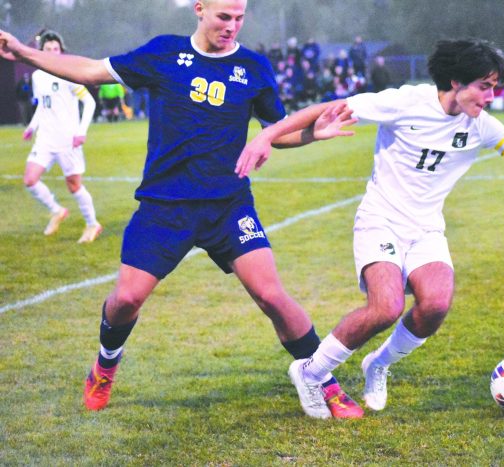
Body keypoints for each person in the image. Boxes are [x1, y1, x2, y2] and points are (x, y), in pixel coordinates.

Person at [0, 0, 362, 420]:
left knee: (272, 295)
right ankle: (104, 365)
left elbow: (275, 134)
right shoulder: (164, 53)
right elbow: (90, 70)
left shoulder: (254, 67)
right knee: (126, 299)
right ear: (200, 9)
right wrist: (24, 53)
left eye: (240, 17)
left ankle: (323, 380)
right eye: (224, 16)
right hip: (164, 206)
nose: (232, 26)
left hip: (227, 205)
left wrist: (312, 135)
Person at [237, 39, 504, 414]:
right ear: (457, 82)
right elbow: (331, 105)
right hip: (381, 220)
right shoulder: (407, 102)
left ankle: (378, 364)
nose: (491, 97)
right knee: (386, 307)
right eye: (484, 86)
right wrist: (268, 136)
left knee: (436, 304)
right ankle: (310, 372)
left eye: (495, 87)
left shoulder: (482, 125)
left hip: (426, 228)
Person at [21, 30, 102, 243]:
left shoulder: (68, 74)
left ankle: (93, 224)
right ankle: (57, 210)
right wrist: (31, 126)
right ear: (42, 52)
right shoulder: (38, 77)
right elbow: (42, 105)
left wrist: (81, 132)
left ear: (61, 51)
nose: (52, 52)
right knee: (30, 180)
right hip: (45, 139)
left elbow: (90, 102)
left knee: (74, 185)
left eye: (55, 49)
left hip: (68, 139)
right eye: (48, 50)